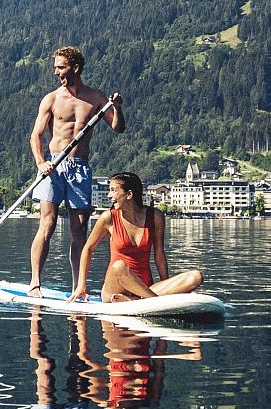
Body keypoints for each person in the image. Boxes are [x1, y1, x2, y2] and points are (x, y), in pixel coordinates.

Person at [26, 45, 123, 293]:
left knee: (79, 228)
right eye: (55, 67)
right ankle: (35, 282)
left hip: (80, 168)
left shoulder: (96, 98)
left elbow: (118, 127)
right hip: (52, 166)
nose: (56, 72)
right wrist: (40, 163)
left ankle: (78, 287)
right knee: (47, 224)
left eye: (61, 67)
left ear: (75, 68)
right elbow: (36, 136)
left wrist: (118, 108)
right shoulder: (51, 99)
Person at [70, 171, 204, 303]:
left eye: (113, 190)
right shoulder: (108, 217)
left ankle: (136, 300)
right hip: (115, 289)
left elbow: (159, 254)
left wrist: (166, 284)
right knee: (119, 266)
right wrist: (81, 286)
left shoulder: (155, 216)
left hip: (146, 289)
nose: (109, 195)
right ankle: (154, 301)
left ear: (129, 194)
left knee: (195, 276)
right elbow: (88, 249)